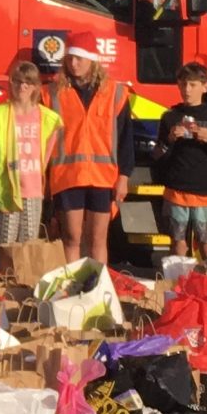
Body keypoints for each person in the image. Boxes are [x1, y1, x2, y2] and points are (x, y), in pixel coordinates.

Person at [45, 31, 134, 268]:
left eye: (79, 58)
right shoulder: (51, 93)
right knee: (71, 238)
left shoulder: (116, 93)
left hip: (103, 178)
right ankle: (71, 290)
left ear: (92, 60)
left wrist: (124, 177)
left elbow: (126, 139)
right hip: (67, 177)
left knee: (97, 240)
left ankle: (96, 290)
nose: (74, 64)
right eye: (70, 58)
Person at [156, 63, 207, 259]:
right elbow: (157, 155)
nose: (187, 90)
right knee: (177, 245)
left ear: (205, 87)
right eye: (183, 85)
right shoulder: (170, 116)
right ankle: (177, 285)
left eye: (192, 85)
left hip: (206, 192)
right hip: (176, 191)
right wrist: (169, 140)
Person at [0, 59, 61, 249]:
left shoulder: (48, 119)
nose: (22, 86)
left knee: (29, 248)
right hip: (7, 189)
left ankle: (25, 281)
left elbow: (45, 158)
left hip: (33, 190)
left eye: (28, 82)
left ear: (36, 86)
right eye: (17, 81)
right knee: (5, 248)